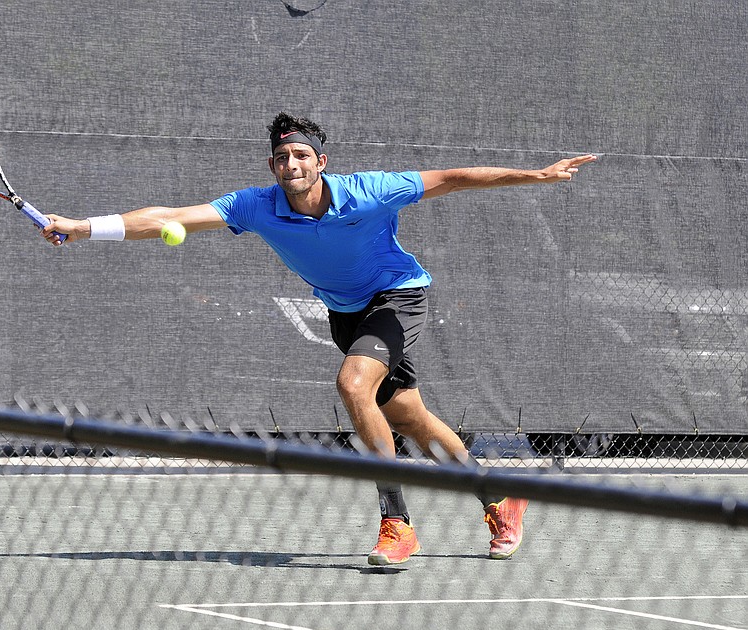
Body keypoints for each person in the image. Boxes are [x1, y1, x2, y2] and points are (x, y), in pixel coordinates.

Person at [42, 112, 597, 566]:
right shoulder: (255, 207)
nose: (291, 164)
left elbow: (450, 178)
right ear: (272, 166)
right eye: (282, 157)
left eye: (301, 155)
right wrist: (83, 226)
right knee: (407, 416)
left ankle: (396, 521)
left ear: (321, 162)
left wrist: (539, 176)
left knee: (354, 383)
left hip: (398, 298)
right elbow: (168, 217)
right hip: (346, 314)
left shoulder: (370, 191)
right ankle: (499, 496)